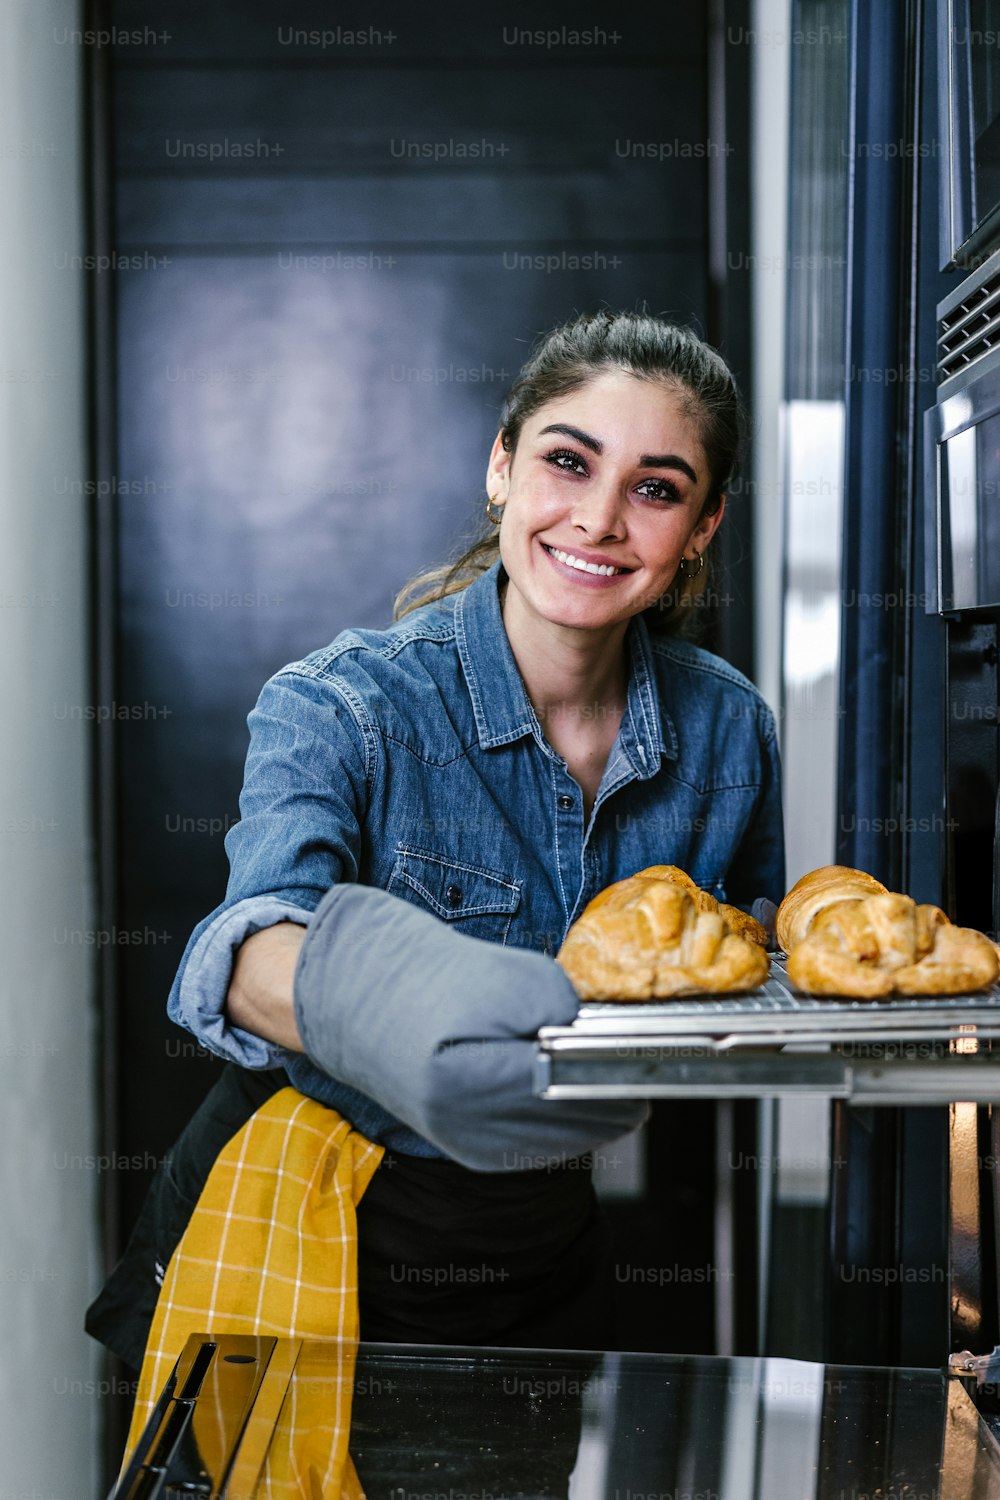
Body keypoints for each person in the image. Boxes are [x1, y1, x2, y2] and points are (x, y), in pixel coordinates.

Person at [86, 308, 785, 1368]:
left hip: (535, 1257)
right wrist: (391, 1017)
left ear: (702, 526)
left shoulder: (729, 730)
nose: (597, 520)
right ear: (501, 468)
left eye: (655, 488)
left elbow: (751, 953)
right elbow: (250, 945)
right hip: (289, 1230)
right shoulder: (344, 703)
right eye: (566, 462)